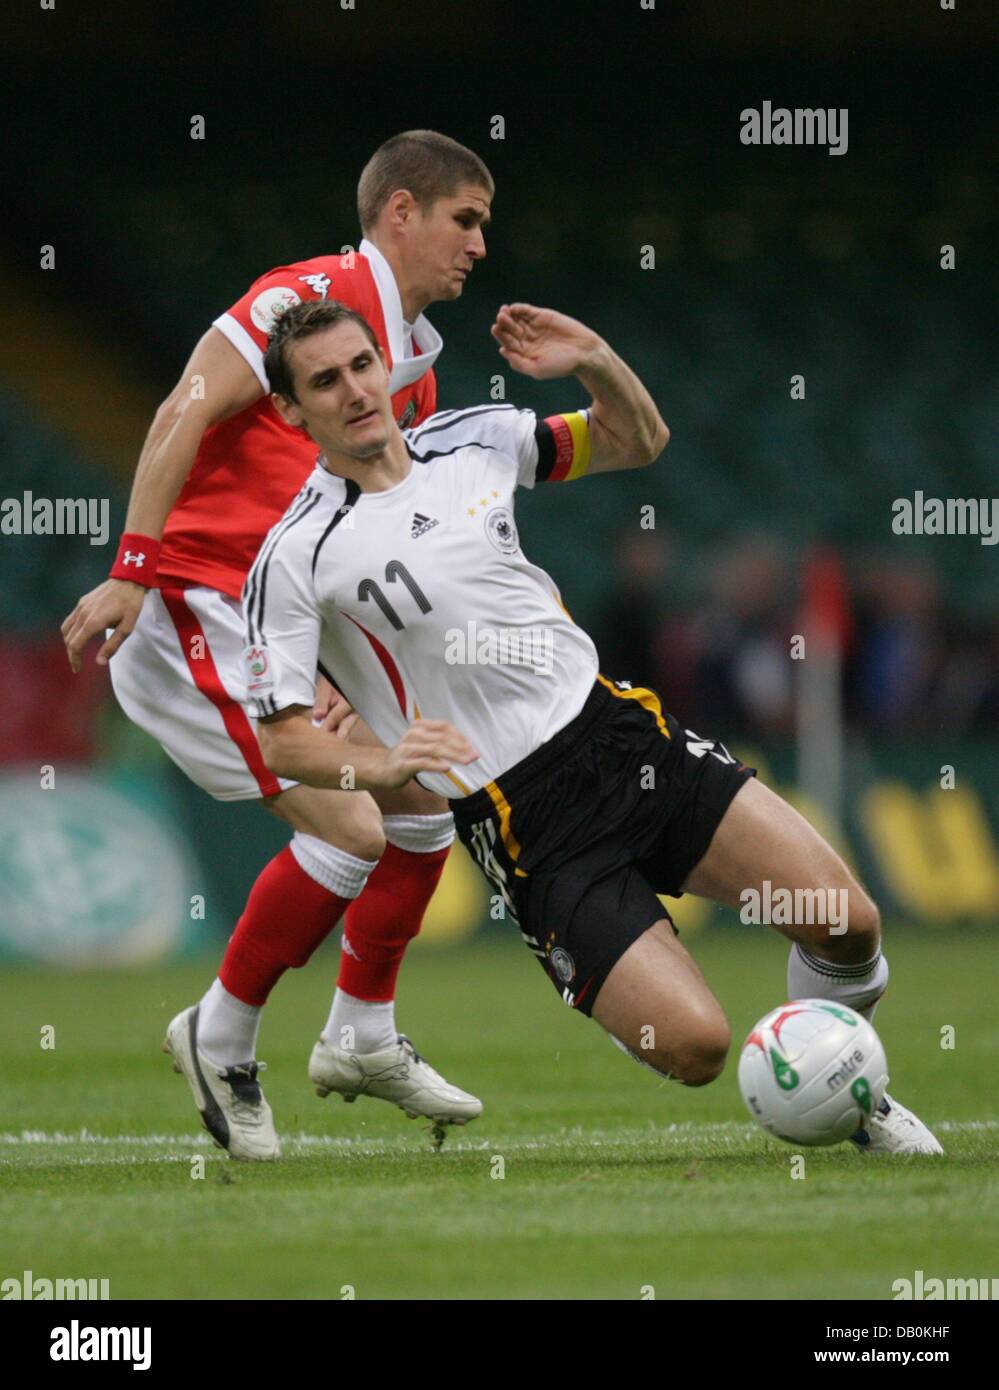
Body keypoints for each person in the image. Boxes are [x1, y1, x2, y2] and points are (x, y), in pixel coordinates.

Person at [241, 296, 942, 1156]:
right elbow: (280, 739)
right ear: (288, 409)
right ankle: (604, 978)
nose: (352, 390)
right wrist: (384, 770)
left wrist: (596, 359)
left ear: (384, 366)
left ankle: (852, 1097)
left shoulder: (473, 440)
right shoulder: (296, 553)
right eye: (323, 381)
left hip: (621, 739)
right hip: (525, 820)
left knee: (846, 922)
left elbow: (637, 441)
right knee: (694, 1050)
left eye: (360, 365)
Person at [60, 131, 494, 1159]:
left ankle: (362, 1032)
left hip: (281, 619)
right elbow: (185, 407)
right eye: (465, 219)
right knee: (352, 827)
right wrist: (132, 563)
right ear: (401, 212)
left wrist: (342, 667)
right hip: (194, 604)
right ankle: (220, 1035)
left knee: (425, 799)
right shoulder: (304, 298)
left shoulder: (408, 371)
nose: (479, 243)